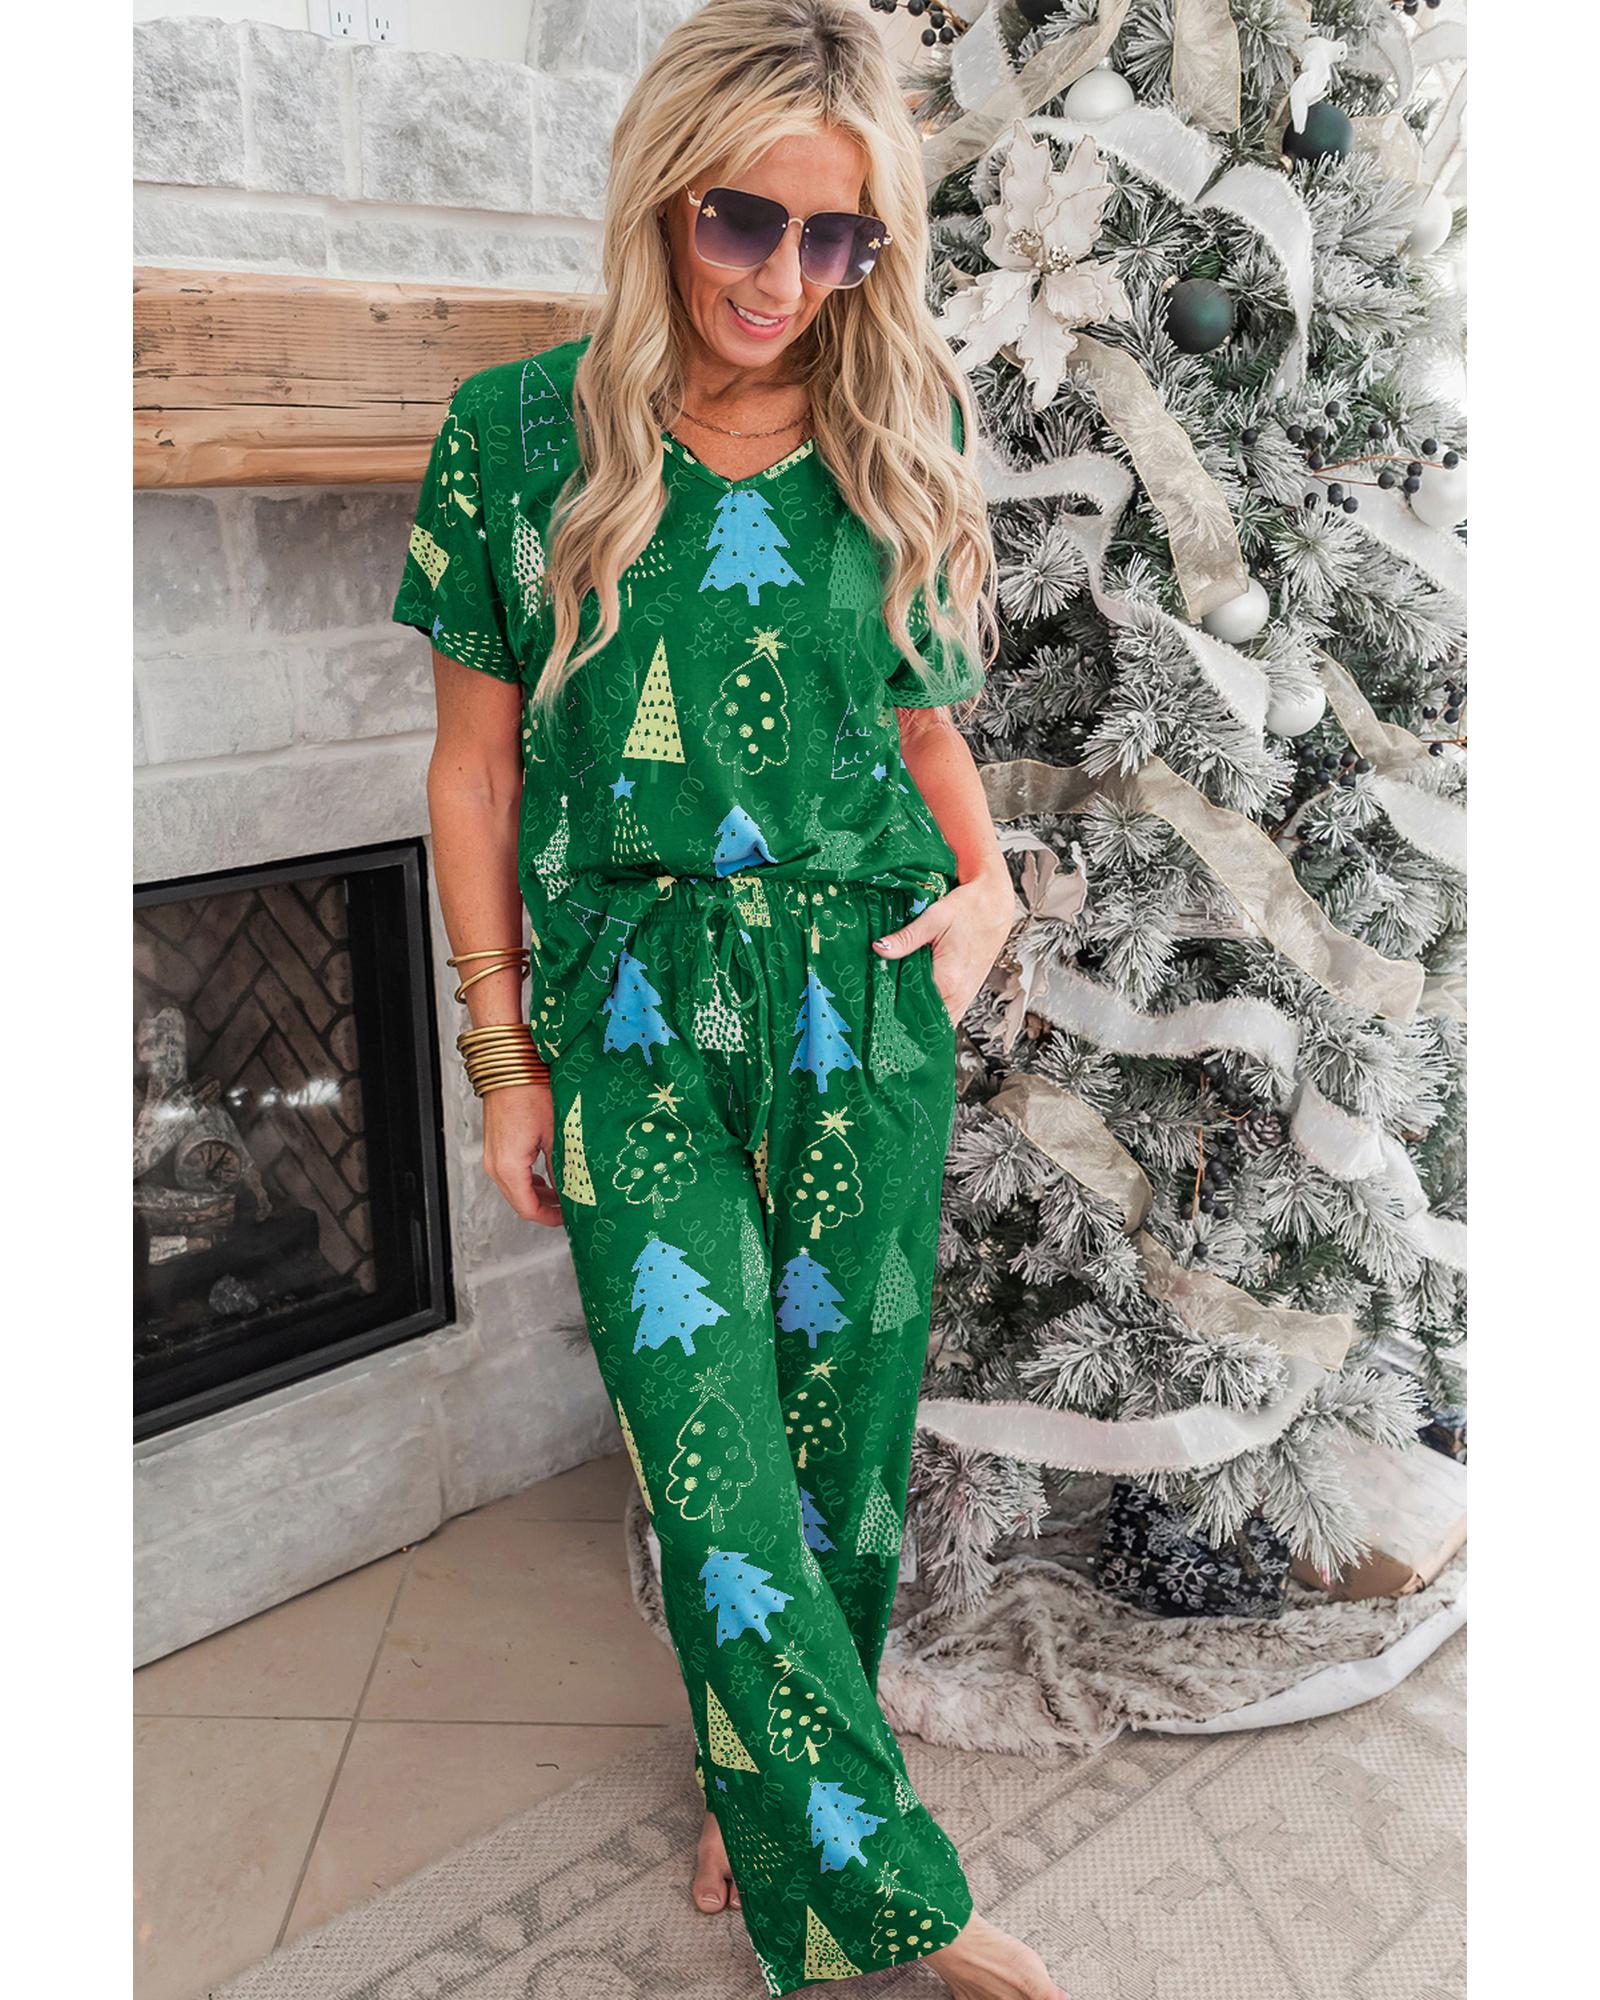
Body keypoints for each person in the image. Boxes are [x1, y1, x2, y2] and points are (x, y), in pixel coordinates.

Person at [391, 6, 1061, 1993]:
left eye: (832, 239)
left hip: (863, 999)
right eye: (741, 221)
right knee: (713, 1460)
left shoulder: (893, 428)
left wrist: (991, 891)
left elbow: (921, 720)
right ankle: (903, 1901)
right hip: (626, 1013)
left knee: (839, 1457)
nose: (781, 279)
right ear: (662, 196)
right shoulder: (515, 439)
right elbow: (472, 779)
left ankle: (764, 1785)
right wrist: (500, 1058)